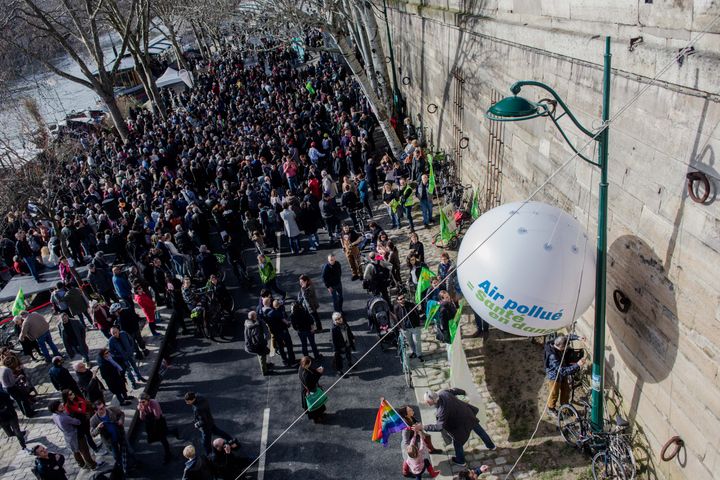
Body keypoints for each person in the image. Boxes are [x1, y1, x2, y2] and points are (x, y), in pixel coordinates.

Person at [417, 389, 496, 467]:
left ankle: (461, 461)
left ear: (431, 401)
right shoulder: (444, 392)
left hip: (460, 425)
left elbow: (439, 427)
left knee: (457, 443)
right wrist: (464, 392)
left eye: (427, 401)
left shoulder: (441, 411)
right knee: (480, 431)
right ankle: (491, 446)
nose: (426, 403)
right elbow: (455, 390)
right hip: (468, 415)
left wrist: (424, 427)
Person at [49, 400, 97, 470]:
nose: (62, 406)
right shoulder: (64, 418)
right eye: (60, 406)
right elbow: (78, 422)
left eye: (61, 404)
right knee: (85, 451)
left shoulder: (54, 415)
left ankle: (81, 464)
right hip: (76, 435)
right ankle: (92, 465)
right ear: (56, 410)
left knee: (75, 451)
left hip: (67, 436)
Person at [544, 334, 586, 416]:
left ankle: (565, 409)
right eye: (566, 347)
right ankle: (551, 408)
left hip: (562, 372)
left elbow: (567, 337)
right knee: (554, 393)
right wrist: (577, 364)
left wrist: (578, 337)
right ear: (561, 347)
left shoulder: (556, 341)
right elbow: (562, 371)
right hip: (554, 376)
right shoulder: (553, 356)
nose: (566, 348)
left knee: (566, 390)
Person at [184, 391, 235, 455]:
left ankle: (209, 454)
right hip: (210, 421)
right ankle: (231, 440)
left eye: (188, 401)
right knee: (218, 432)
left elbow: (203, 421)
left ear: (193, 399)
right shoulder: (201, 398)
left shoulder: (198, 409)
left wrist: (197, 424)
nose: (187, 403)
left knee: (206, 442)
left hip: (206, 427)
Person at [90, 400, 128, 475]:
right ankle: (122, 469)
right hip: (110, 441)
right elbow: (93, 434)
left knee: (129, 450)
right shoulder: (93, 420)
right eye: (100, 409)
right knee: (116, 456)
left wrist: (121, 420)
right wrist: (98, 428)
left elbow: (121, 414)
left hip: (120, 435)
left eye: (103, 406)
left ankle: (132, 463)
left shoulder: (111, 409)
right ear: (95, 411)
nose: (103, 409)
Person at [137, 393, 174, 464]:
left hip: (159, 422)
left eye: (143, 402)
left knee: (163, 438)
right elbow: (141, 418)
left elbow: (157, 417)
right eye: (140, 402)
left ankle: (168, 454)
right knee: (161, 435)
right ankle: (173, 432)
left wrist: (145, 410)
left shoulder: (154, 403)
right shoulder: (141, 406)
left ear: (148, 400)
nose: (141, 403)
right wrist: (141, 411)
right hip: (151, 423)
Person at [62, 389, 100, 453]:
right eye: (70, 394)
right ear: (67, 397)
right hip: (80, 423)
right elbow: (82, 409)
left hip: (86, 418)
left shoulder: (76, 398)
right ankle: (95, 448)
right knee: (88, 435)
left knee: (89, 433)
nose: (73, 394)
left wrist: (81, 407)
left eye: (72, 392)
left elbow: (83, 404)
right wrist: (81, 406)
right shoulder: (67, 406)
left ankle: (94, 445)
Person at [264, 298, 297, 367]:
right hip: (283, 332)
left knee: (280, 347)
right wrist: (289, 323)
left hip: (276, 333)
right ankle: (292, 361)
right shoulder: (279, 313)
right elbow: (286, 322)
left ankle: (285, 361)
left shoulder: (268, 314)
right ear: (279, 305)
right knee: (289, 346)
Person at [394, 293, 423, 361]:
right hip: (405, 328)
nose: (403, 300)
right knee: (410, 342)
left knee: (417, 341)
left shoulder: (411, 304)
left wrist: (418, 324)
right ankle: (414, 352)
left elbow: (417, 314)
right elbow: (397, 318)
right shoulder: (396, 308)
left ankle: (419, 354)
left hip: (414, 327)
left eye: (403, 298)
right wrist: (400, 327)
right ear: (398, 301)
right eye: (400, 299)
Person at [298, 356, 326, 423]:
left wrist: (316, 371)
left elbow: (311, 370)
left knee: (315, 406)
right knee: (314, 406)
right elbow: (311, 384)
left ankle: (319, 415)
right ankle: (316, 418)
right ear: (306, 365)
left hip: (305, 390)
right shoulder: (306, 375)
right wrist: (319, 373)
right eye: (309, 364)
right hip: (311, 392)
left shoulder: (301, 368)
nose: (311, 365)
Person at [244, 311, 272, 376]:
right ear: (254, 317)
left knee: (260, 356)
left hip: (250, 345)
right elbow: (258, 338)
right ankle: (264, 371)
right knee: (262, 356)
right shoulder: (256, 327)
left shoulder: (247, 322)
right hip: (257, 346)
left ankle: (265, 365)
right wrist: (264, 343)